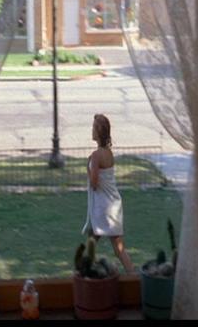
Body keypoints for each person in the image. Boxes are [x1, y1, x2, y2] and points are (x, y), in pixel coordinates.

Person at [81, 113, 136, 274]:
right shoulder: (108, 153)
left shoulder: (96, 155)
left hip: (103, 207)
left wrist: (87, 167)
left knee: (94, 243)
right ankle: (133, 276)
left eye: (93, 127)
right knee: (118, 248)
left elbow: (94, 183)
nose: (91, 130)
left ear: (99, 131)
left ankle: (83, 274)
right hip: (113, 204)